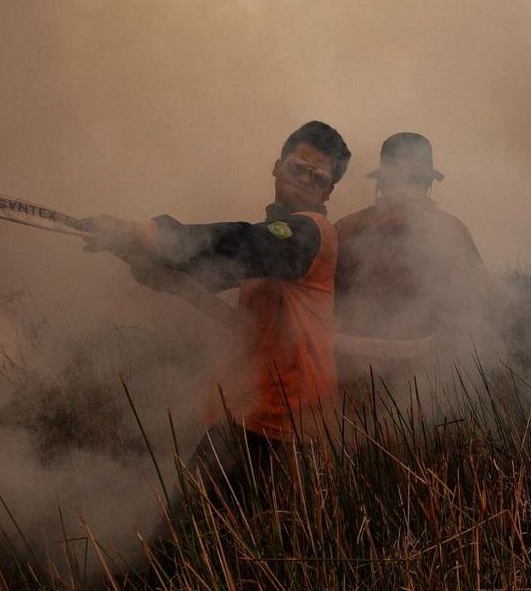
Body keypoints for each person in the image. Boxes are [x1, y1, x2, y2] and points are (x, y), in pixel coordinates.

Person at [80, 120, 351, 517]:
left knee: (187, 542)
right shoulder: (276, 236)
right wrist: (141, 253)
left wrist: (153, 235)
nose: (306, 181)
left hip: (280, 428)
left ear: (328, 190)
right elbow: (206, 275)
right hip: (250, 415)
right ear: (276, 167)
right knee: (205, 543)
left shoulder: (310, 232)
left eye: (318, 177)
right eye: (298, 168)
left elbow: (245, 243)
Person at [333, 132, 490, 365]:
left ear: (382, 181)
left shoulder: (345, 228)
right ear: (428, 183)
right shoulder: (452, 231)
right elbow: (477, 303)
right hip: (428, 374)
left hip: (356, 371)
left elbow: (324, 305)